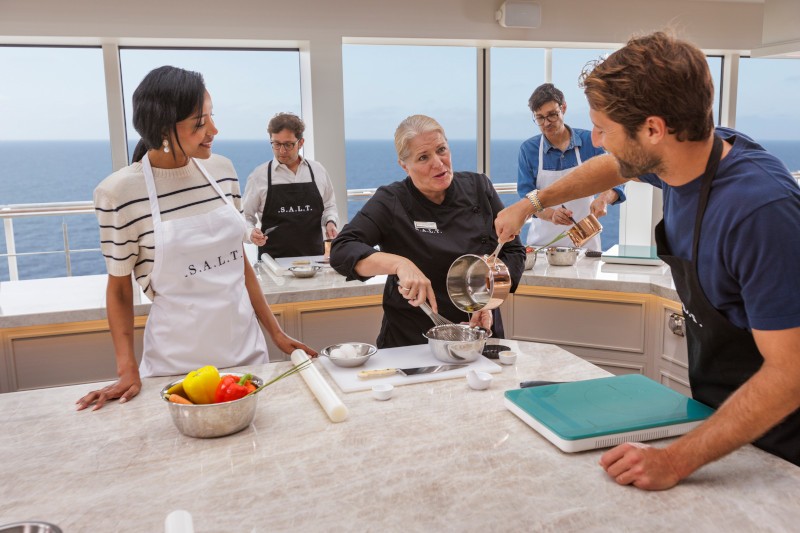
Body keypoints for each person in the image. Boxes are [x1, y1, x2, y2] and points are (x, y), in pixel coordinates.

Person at [495, 31, 800, 488]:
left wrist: (675, 461)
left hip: (780, 454)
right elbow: (614, 166)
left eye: (605, 129)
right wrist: (532, 203)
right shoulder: (683, 157)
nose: (596, 139)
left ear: (654, 130)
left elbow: (791, 374)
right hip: (720, 426)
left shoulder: (759, 212)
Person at [77, 66, 314, 411]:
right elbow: (119, 288)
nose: (213, 130)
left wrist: (276, 333)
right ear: (163, 128)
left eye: (211, 116)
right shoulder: (119, 193)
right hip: (175, 369)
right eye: (200, 123)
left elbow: (237, 262)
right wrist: (127, 371)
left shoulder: (222, 171)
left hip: (247, 359)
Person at [331, 115, 525, 348]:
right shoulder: (391, 201)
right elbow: (342, 249)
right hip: (411, 340)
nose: (438, 163)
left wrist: (488, 301)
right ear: (404, 165)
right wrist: (399, 264)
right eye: (423, 157)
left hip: (479, 332)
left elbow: (513, 252)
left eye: (441, 150)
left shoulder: (479, 187)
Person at [518, 83, 625, 251]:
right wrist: (551, 215)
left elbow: (619, 176)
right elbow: (528, 198)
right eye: (540, 118)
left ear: (564, 108)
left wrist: (604, 199)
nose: (546, 123)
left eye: (552, 115)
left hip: (586, 245)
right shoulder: (528, 150)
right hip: (542, 246)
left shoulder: (590, 142)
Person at [242, 112, 339, 259]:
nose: (282, 151)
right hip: (273, 264)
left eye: (288, 144)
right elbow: (245, 216)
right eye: (276, 144)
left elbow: (329, 206)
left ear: (301, 142)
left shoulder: (318, 170)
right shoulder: (259, 176)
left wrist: (330, 222)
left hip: (315, 261)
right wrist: (251, 233)